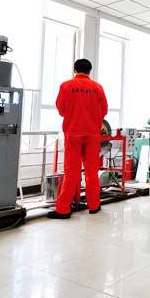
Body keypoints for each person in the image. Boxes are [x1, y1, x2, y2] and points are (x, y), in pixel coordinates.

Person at [49, 59, 108, 219]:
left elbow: (61, 109)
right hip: (93, 134)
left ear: (74, 70)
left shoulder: (66, 86)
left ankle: (63, 209)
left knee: (71, 172)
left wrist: (73, 114)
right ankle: (94, 206)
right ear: (89, 71)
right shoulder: (98, 88)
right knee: (91, 172)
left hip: (73, 133)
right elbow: (104, 111)